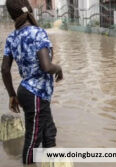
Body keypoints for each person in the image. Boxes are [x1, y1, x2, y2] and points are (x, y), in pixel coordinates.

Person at [1, 0, 63, 164]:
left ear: (12, 15)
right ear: (29, 9)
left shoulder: (12, 37)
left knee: (49, 131)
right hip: (35, 94)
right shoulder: (38, 33)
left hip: (30, 93)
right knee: (33, 140)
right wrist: (59, 69)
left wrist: (12, 95)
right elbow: (46, 66)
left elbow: (5, 70)